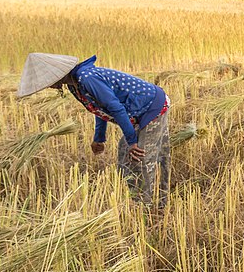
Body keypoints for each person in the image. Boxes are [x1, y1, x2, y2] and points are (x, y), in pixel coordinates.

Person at [17, 53, 171, 208]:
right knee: (124, 153)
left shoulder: (87, 78)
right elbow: (100, 108)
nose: (49, 85)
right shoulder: (74, 85)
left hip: (151, 107)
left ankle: (148, 207)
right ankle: (132, 200)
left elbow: (114, 107)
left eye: (48, 81)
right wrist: (99, 138)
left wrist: (132, 141)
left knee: (140, 156)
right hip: (137, 111)